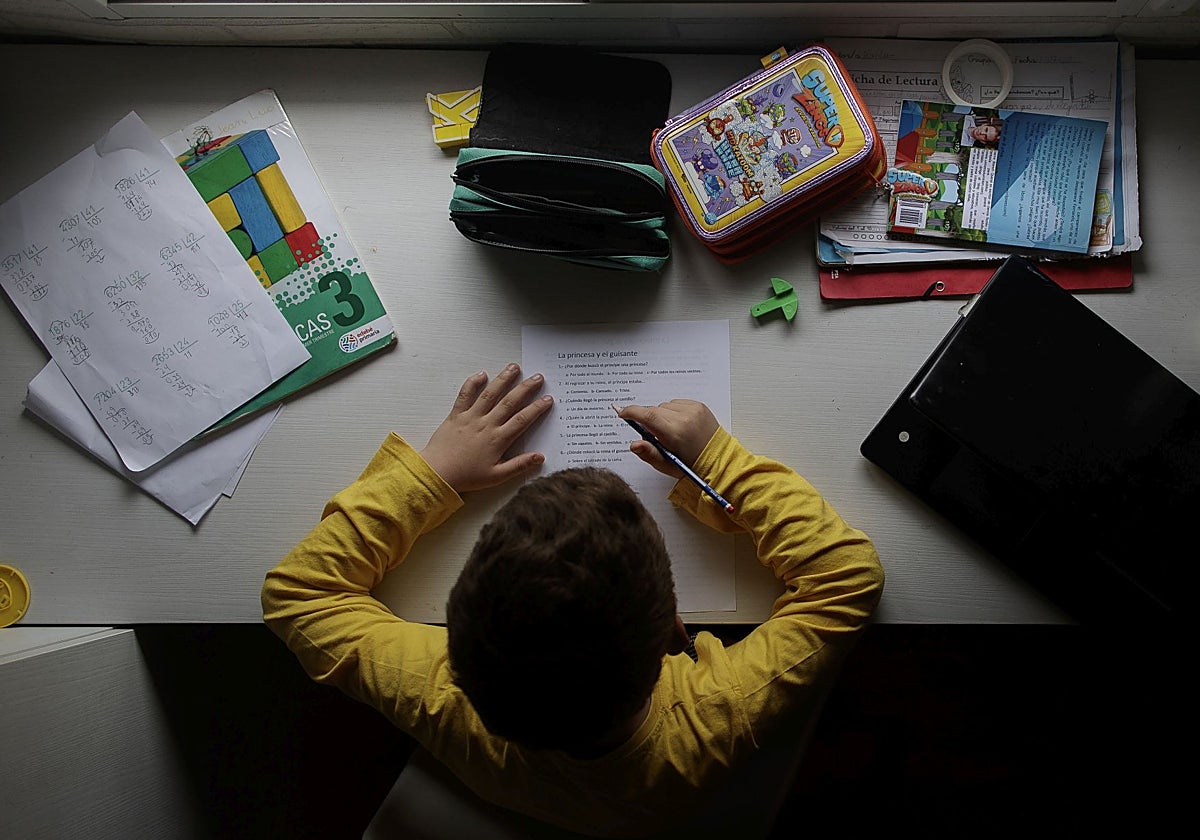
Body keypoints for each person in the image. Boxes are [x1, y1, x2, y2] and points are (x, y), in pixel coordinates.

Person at [262, 362, 884, 838]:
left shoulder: (442, 699)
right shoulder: (711, 719)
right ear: (674, 629)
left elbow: (298, 596)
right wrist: (718, 461)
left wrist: (435, 473)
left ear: (458, 641)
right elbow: (847, 575)